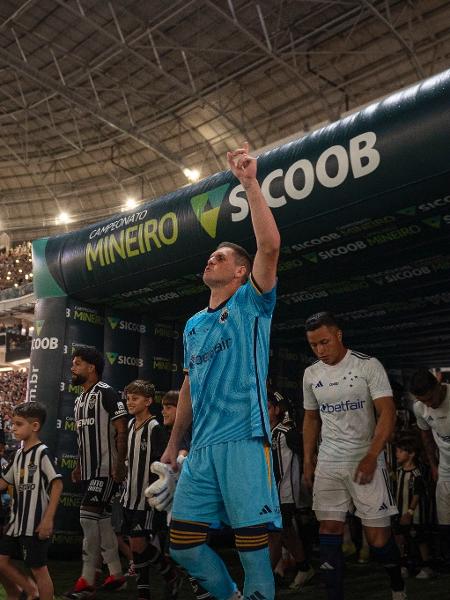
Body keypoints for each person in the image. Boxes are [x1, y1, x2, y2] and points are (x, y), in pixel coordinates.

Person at [161, 142, 281, 600]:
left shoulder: (253, 301)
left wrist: (250, 183)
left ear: (241, 272)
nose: (211, 259)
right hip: (202, 448)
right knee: (183, 545)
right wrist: (174, 447)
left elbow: (269, 244)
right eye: (210, 256)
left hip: (246, 440)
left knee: (254, 552)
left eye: (221, 257)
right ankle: (229, 595)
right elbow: (189, 383)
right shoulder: (194, 324)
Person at [302, 312, 406, 600]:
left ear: (338, 335)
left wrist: (373, 455)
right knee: (329, 527)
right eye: (313, 345)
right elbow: (311, 419)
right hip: (329, 461)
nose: (320, 350)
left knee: (377, 540)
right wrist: (309, 461)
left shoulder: (367, 365)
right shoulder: (311, 374)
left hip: (365, 459)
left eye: (324, 342)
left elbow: (387, 411)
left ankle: (397, 585)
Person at [65, 346, 128, 599]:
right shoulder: (79, 400)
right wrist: (80, 464)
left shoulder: (107, 393)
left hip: (106, 470)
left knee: (86, 517)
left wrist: (120, 463)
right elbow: (83, 438)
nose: (73, 367)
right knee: (101, 523)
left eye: (77, 363)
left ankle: (87, 578)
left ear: (91, 367)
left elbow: (122, 430)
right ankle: (117, 574)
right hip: (90, 470)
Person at [121, 379, 180, 600]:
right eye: (128, 398)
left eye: (135, 398)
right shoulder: (129, 425)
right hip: (129, 496)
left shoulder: (155, 428)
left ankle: (153, 586)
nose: (130, 402)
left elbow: (161, 464)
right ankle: (166, 576)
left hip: (145, 499)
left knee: (138, 543)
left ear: (148, 401)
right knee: (136, 547)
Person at [0, 402, 63, 600]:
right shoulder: (17, 454)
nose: (13, 429)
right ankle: (27, 591)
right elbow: (3, 482)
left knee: (39, 570)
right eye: (13, 424)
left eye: (18, 424)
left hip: (34, 523)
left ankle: (34, 591)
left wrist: (48, 519)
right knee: (1, 562)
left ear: (35, 426)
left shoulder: (42, 452)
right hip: (15, 522)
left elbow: (57, 484)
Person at [268, 391, 314, 590]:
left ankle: (263, 579)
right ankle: (305, 567)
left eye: (268, 408)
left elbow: (307, 452)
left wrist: (308, 472)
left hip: (284, 494)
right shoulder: (266, 433)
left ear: (277, 410)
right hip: (270, 494)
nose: (264, 411)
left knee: (275, 535)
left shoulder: (286, 432)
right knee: (286, 533)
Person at [409, 368, 450, 564]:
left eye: (430, 399)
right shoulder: (420, 408)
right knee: (445, 519)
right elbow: (425, 435)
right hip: (445, 467)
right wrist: (433, 465)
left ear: (438, 386)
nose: (429, 404)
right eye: (423, 401)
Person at [393, 435, 434, 579]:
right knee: (400, 538)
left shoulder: (416, 474)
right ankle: (403, 565)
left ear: (411, 454)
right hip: (400, 512)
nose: (396, 453)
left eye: (400, 451)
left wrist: (409, 512)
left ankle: (426, 566)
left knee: (419, 538)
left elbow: (417, 493)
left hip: (413, 515)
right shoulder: (399, 471)